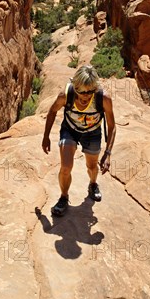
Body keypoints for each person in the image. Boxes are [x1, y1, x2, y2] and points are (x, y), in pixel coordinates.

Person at [42, 65, 116, 216]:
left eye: (90, 91)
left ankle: (93, 184)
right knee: (66, 167)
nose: (85, 95)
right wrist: (46, 136)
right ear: (75, 87)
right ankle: (63, 197)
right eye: (81, 91)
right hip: (70, 130)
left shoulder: (104, 98)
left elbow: (112, 126)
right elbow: (52, 111)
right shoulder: (65, 95)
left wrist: (108, 153)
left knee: (92, 166)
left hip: (92, 132)